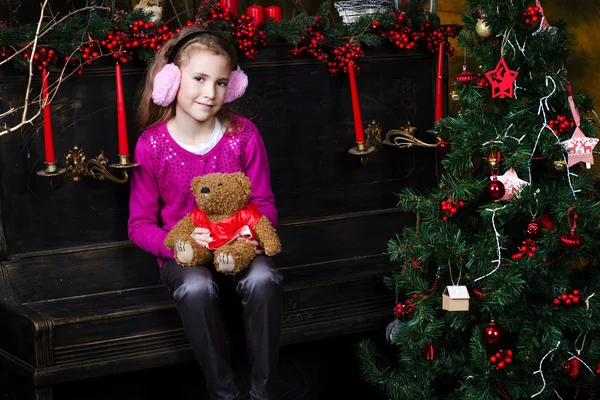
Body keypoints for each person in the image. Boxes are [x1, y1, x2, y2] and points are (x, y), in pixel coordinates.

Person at [128, 26, 283, 400]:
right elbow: (138, 224)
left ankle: (263, 391)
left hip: (239, 245)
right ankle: (223, 391)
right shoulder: (152, 145)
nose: (209, 93)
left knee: (264, 281)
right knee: (197, 288)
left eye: (220, 82)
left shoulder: (243, 134)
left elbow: (263, 202)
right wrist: (175, 244)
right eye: (199, 79)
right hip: (185, 252)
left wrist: (253, 236)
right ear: (171, 79)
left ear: (232, 86)